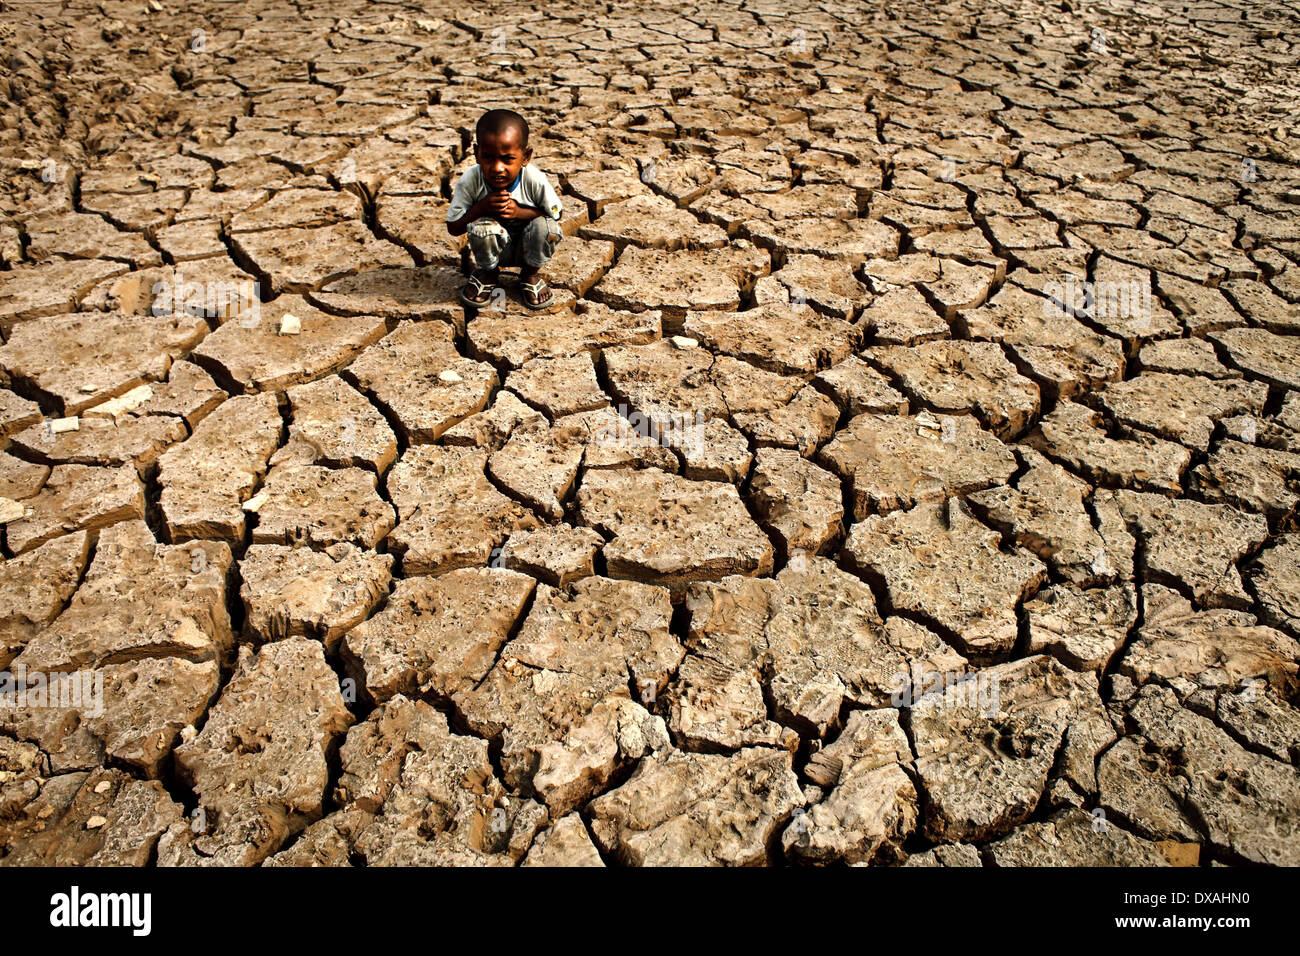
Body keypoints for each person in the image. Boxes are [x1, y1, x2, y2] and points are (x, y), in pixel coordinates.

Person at [446, 108, 564, 310]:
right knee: (483, 227)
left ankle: (529, 275)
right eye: (488, 157)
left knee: (547, 228)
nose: (497, 167)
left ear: (525, 156)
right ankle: (489, 273)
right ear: (476, 154)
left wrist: (520, 212)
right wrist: (482, 207)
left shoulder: (534, 180)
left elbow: (556, 214)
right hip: (493, 250)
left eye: (508, 159)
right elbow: (454, 227)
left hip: (527, 248)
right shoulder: (471, 181)